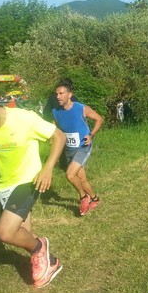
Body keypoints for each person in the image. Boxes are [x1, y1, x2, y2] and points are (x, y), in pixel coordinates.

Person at [0, 92, 67, 288]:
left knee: (5, 232)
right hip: (4, 186)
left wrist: (47, 169)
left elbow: (58, 137)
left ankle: (40, 247)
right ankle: (50, 262)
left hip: (29, 180)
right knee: (22, 235)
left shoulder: (23, 118)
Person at [52, 80, 104, 216]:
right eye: (56, 94)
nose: (58, 96)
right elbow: (56, 129)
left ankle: (83, 197)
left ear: (69, 95)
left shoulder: (81, 108)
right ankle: (95, 199)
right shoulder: (55, 112)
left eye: (61, 93)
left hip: (83, 146)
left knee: (70, 175)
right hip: (69, 148)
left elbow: (99, 119)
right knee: (81, 178)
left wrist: (91, 135)